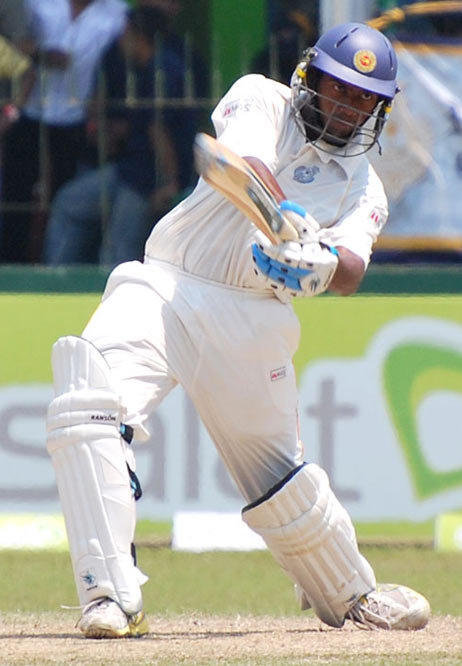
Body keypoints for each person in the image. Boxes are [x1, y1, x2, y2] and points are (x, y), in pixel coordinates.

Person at [46, 22, 431, 638]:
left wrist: (323, 263)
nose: (348, 106)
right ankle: (109, 597)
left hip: (253, 318)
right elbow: (246, 167)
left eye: (365, 98)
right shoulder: (261, 97)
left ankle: (353, 594)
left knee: (280, 481)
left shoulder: (364, 186)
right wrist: (290, 228)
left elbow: (353, 269)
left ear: (379, 110)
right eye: (339, 87)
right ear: (310, 77)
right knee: (85, 403)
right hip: (167, 285)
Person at [43, 7, 188, 267]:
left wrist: (171, 182)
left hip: (146, 179)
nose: (120, 40)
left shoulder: (163, 71)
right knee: (68, 204)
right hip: (127, 169)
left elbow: (160, 132)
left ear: (138, 37)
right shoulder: (143, 69)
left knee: (117, 251)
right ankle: (56, 280)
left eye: (125, 34)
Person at [0, 0, 128, 263]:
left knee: (63, 195)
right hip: (31, 111)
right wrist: (39, 55)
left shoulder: (117, 13)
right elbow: (17, 42)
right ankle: (13, 264)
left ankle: (54, 264)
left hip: (76, 118)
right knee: (17, 196)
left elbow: (118, 64)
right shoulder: (38, 4)